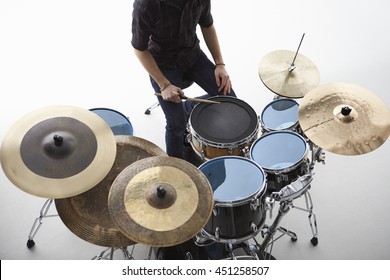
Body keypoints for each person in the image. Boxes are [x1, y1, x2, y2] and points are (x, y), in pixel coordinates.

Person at [131, 0, 236, 160]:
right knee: (176, 124)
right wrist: (164, 84)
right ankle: (175, 167)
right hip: (163, 65)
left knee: (230, 100)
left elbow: (207, 25)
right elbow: (139, 49)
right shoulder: (146, 4)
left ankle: (187, 107)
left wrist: (219, 64)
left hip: (192, 55)